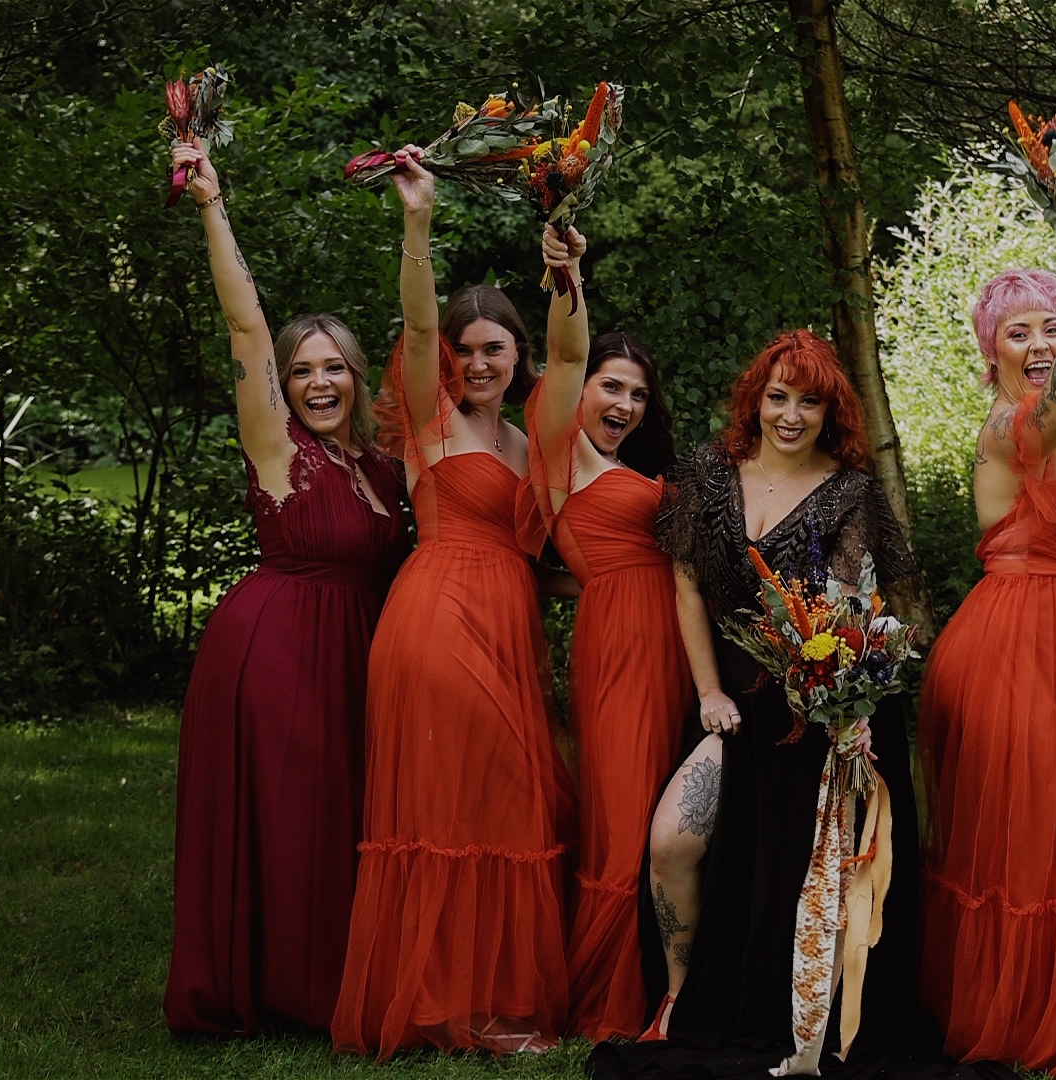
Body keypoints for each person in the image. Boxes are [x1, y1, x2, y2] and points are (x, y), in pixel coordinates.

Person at [590, 329, 948, 1080]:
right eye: (778, 398)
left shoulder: (850, 492)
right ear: (755, 399)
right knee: (671, 843)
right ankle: (680, 1003)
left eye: (808, 402)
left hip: (822, 708)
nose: (790, 415)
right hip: (729, 699)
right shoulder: (710, 474)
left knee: (803, 877)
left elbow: (850, 608)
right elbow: (686, 584)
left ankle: (809, 1017)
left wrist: (839, 709)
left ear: (830, 411)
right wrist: (708, 692)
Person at [331, 149, 576, 1057]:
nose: (475, 361)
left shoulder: (525, 436)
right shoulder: (432, 420)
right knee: (462, 805)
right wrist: (418, 224)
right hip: (437, 617)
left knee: (506, 800)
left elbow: (569, 350)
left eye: (492, 349)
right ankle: (457, 1009)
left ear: (516, 356)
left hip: (507, 622)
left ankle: (480, 998)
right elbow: (419, 326)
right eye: (466, 350)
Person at [163, 138, 410, 1035]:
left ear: (355, 374)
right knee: (291, 814)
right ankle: (280, 987)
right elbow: (245, 330)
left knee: (340, 814)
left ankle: (341, 969)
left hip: (355, 648)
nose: (315, 382)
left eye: (332, 366)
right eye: (302, 369)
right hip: (275, 646)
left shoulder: (380, 464)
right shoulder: (278, 450)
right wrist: (210, 207)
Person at [918, 249, 1056, 1079]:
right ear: (989, 350)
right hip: (1013, 645)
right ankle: (1018, 1015)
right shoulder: (1013, 428)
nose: (1038, 343)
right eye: (1018, 331)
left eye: (1052, 327)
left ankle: (1040, 997)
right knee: (1032, 832)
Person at [521, 233, 692, 1039]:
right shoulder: (560, 453)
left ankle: (679, 981)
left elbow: (612, 559)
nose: (623, 405)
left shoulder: (627, 471)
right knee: (624, 813)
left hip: (673, 642)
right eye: (609, 387)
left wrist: (577, 580)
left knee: (669, 807)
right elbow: (561, 351)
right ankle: (610, 995)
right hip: (622, 648)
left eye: (637, 396)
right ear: (579, 391)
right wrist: (568, 274)